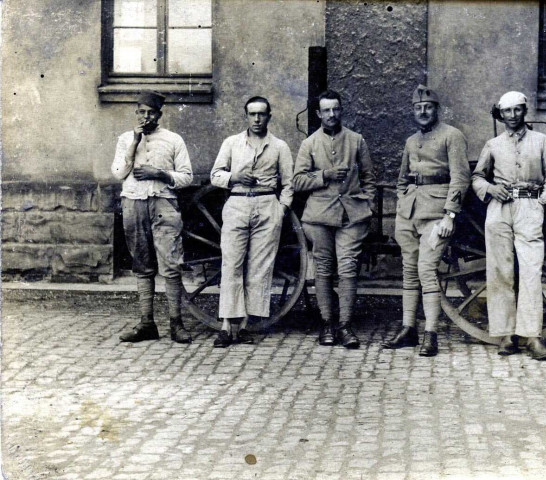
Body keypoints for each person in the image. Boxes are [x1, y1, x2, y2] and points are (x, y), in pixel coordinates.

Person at [382, 85, 470, 357]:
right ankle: (408, 329)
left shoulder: (452, 136)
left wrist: (450, 215)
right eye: (418, 108)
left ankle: (430, 333)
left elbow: (460, 177)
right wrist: (402, 200)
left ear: (436, 109)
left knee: (426, 270)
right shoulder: (411, 141)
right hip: (409, 215)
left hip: (437, 216)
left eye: (428, 107)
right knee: (409, 272)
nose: (422, 112)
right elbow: (402, 178)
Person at [471, 91, 546, 361]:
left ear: (524, 111)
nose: (512, 116)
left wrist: (541, 204)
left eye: (517, 110)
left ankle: (532, 335)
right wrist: (490, 189)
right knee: (500, 270)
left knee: (532, 269)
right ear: (501, 113)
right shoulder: (493, 144)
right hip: (499, 210)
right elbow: (476, 177)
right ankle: (506, 334)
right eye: (507, 111)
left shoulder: (541, 141)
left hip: (529, 207)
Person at [293, 90, 377, 349]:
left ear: (341, 110)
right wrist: (325, 175)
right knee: (323, 268)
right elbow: (297, 181)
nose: (332, 114)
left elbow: (369, 178)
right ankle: (327, 323)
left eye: (336, 109)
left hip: (352, 216)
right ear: (318, 114)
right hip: (319, 217)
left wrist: (369, 205)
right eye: (326, 110)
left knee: (348, 266)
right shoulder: (309, 144)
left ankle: (345, 325)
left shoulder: (356, 140)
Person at [209, 96, 294, 348]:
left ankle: (244, 325)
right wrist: (234, 177)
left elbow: (289, 184)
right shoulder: (232, 143)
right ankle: (226, 326)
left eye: (262, 114)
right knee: (231, 263)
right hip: (237, 204)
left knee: (258, 268)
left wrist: (281, 209)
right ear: (246, 116)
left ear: (269, 116)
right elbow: (216, 175)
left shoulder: (279, 147)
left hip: (268, 206)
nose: (257, 119)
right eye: (252, 114)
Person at [112, 91, 193, 344]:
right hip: (134, 204)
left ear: (159, 114)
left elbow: (186, 176)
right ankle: (147, 323)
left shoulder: (173, 140)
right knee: (142, 264)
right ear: (136, 113)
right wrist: (134, 144)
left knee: (171, 265)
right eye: (141, 112)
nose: (146, 117)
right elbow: (118, 172)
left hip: (164, 204)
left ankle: (176, 323)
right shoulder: (125, 139)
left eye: (151, 113)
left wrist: (159, 173)